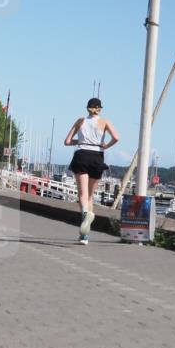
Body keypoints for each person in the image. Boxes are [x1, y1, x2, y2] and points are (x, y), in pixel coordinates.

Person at [63, 97, 119, 244]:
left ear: (87, 108)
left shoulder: (80, 121)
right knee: (90, 196)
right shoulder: (105, 122)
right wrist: (105, 145)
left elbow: (67, 141)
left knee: (82, 194)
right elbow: (116, 137)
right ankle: (86, 233)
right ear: (100, 109)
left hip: (81, 154)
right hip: (97, 156)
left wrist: (80, 141)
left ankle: (84, 222)